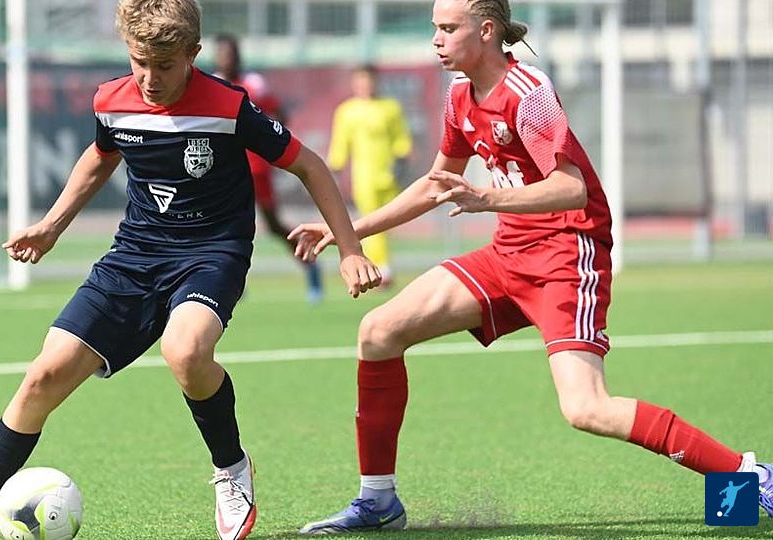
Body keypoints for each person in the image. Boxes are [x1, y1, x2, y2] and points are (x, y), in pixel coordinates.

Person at [291, 0, 773, 534]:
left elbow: (572, 187)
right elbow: (434, 184)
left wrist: (487, 200)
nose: (436, 40)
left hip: (567, 253)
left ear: (486, 30)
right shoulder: (458, 96)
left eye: (448, 28)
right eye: (434, 29)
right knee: (379, 331)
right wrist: (348, 232)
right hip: (508, 254)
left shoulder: (529, 92)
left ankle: (748, 475)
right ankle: (378, 501)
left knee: (586, 408)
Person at [0, 1, 380, 540]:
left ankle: (231, 468)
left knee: (184, 351)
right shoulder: (111, 101)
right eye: (140, 62)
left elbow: (308, 164)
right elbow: (101, 157)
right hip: (135, 255)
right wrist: (50, 226)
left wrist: (350, 250)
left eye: (164, 66)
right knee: (44, 375)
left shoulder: (229, 106)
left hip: (212, 252)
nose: (149, 78)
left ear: (192, 54)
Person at [213, 33, 325, 304]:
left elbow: (279, 115)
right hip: (222, 168)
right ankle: (226, 280)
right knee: (221, 224)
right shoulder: (212, 84)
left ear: (238, 56)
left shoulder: (254, 84)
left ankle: (310, 266)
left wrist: (265, 140)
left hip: (255, 167)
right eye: (221, 54)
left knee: (273, 224)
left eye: (230, 54)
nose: (226, 59)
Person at [327, 64, 413, 288]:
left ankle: (377, 266)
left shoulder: (390, 108)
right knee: (371, 221)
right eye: (361, 81)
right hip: (364, 177)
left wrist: (401, 160)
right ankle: (382, 268)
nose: (365, 85)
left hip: (389, 176)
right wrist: (335, 169)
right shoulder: (347, 111)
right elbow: (340, 144)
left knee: (385, 223)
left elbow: (401, 139)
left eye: (369, 80)